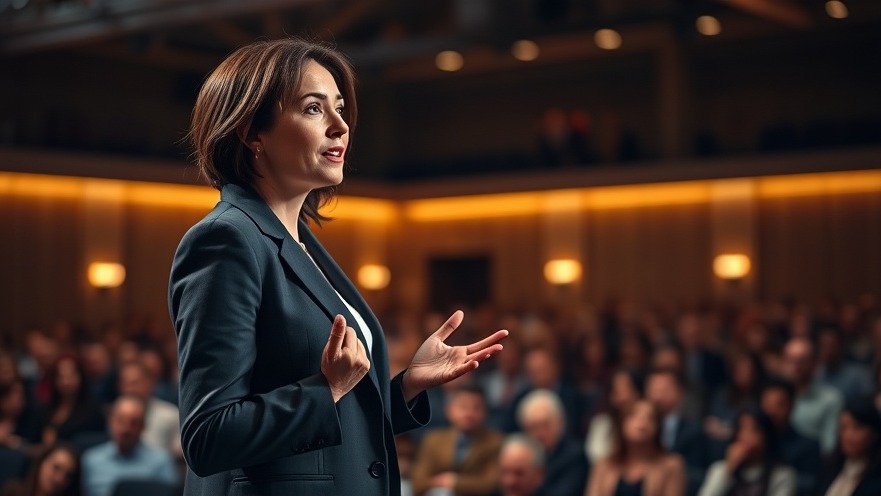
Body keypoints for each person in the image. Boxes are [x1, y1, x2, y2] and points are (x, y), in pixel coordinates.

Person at [169, 37, 508, 496]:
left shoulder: (301, 241)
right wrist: (325, 388)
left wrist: (407, 386)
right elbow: (208, 437)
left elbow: (333, 424)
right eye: (314, 108)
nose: (341, 126)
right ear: (251, 133)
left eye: (340, 108)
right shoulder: (225, 241)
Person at [411, 384, 503, 496]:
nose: (469, 414)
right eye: (463, 407)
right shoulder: (433, 440)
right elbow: (418, 482)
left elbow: (492, 483)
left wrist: (455, 482)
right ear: (449, 410)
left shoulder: (495, 441)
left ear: (485, 412)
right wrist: (440, 484)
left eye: (476, 407)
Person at [80, 396, 178, 496]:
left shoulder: (161, 461)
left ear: (143, 427)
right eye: (120, 421)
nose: (126, 429)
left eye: (134, 423)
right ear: (109, 422)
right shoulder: (91, 460)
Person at [586, 399, 685, 496]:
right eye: (634, 416)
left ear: (657, 427)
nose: (642, 424)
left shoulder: (671, 466)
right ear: (621, 424)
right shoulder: (604, 465)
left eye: (649, 418)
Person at [697, 409, 796, 496]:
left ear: (767, 436)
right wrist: (728, 470)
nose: (745, 436)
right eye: (741, 429)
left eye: (753, 430)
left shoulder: (782, 475)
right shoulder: (720, 469)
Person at [645, 367, 707, 496]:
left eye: (664, 390)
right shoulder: (638, 428)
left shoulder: (693, 432)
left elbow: (697, 476)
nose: (657, 396)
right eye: (653, 390)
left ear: (680, 393)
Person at [516, 389, 588, 496]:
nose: (539, 433)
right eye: (533, 428)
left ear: (560, 422)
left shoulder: (575, 456)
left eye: (545, 425)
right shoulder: (523, 459)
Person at [759, 378, 821, 496]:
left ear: (791, 406)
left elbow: (810, 486)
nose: (772, 411)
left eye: (779, 405)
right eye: (767, 405)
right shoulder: (754, 444)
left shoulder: (808, 447)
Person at [781, 337, 843, 455]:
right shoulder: (775, 398)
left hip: (813, 460)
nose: (795, 366)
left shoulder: (830, 399)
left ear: (815, 363)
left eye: (801, 361)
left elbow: (829, 446)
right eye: (790, 360)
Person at [116, 361, 181, 458]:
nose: (130, 389)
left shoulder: (170, 414)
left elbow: (179, 454)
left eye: (135, 383)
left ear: (150, 383)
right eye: (125, 383)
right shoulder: (114, 414)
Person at [817, 398, 881, 496]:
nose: (849, 436)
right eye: (844, 428)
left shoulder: (877, 478)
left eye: (857, 427)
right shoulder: (829, 468)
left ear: (874, 433)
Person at [37, 355, 104, 447]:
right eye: (61, 377)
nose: (66, 382)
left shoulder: (92, 409)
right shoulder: (46, 408)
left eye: (70, 376)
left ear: (80, 377)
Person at [585, 368, 643, 464]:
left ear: (638, 391)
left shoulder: (645, 422)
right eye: (616, 390)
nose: (621, 396)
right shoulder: (601, 423)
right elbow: (595, 457)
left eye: (625, 389)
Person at [2, 442, 81, 496]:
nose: (60, 478)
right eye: (56, 467)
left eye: (68, 475)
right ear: (42, 462)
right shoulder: (12, 491)